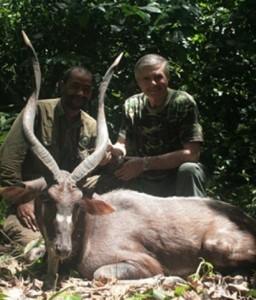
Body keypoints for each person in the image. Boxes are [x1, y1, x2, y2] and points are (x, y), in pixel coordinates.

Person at [0, 66, 110, 247]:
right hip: (35, 201)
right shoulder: (37, 112)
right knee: (38, 247)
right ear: (62, 86)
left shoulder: (91, 125)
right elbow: (9, 162)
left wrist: (111, 158)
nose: (80, 93)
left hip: (71, 203)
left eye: (86, 89)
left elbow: (102, 164)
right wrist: (22, 200)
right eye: (75, 86)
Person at [112, 54, 206, 197]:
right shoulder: (132, 105)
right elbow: (121, 143)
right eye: (146, 79)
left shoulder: (182, 103)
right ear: (139, 83)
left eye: (158, 77)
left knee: (190, 170)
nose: (153, 84)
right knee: (112, 171)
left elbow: (192, 154)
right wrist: (114, 151)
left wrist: (144, 164)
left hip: (174, 176)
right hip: (141, 177)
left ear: (167, 78)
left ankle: (196, 217)